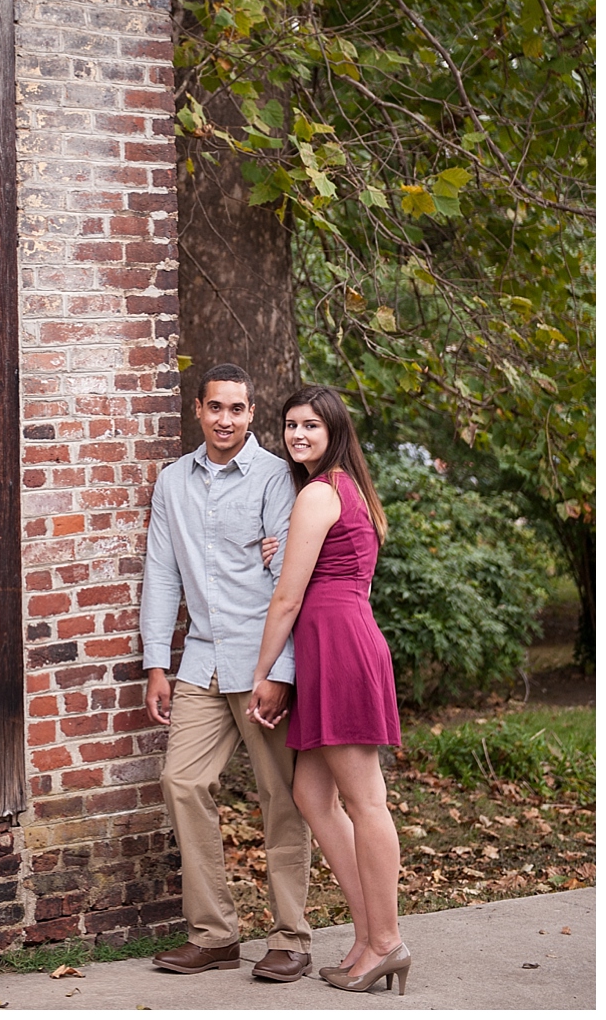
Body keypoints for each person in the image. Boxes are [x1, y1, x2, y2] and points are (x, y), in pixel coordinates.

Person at [140, 363, 313, 982]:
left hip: (261, 662)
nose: (226, 420)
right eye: (216, 408)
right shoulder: (172, 483)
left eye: (238, 410)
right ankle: (214, 934)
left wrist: (282, 672)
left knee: (283, 801)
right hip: (202, 660)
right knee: (182, 782)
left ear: (251, 412)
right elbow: (161, 572)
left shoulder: (276, 478)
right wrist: (157, 662)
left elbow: (288, 583)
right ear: (198, 409)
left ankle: (291, 937)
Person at [247, 384, 409, 995]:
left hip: (337, 646)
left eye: (311, 425)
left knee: (366, 801)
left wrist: (262, 675)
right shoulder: (343, 489)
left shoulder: (320, 491)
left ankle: (386, 941)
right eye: (291, 425)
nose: (297, 435)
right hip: (334, 642)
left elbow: (289, 597)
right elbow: (314, 570)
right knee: (313, 796)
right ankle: (368, 935)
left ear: (333, 429)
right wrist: (280, 551)